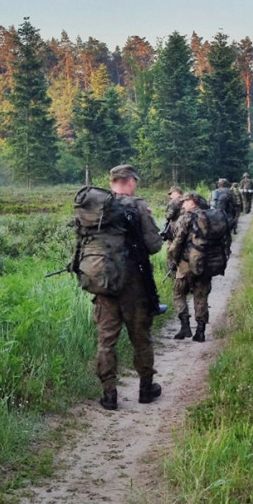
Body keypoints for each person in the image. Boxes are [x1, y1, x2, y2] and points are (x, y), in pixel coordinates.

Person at [90, 165, 165, 411]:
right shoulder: (139, 206)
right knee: (141, 338)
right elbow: (154, 246)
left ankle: (109, 394)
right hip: (134, 285)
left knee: (106, 341)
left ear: (112, 182)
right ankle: (145, 389)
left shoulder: (95, 207)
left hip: (104, 284)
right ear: (130, 181)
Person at [167, 191, 223, 343]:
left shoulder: (188, 217)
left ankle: (185, 325)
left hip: (187, 264)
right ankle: (200, 331)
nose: (183, 204)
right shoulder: (211, 217)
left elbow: (177, 243)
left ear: (192, 202)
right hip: (207, 263)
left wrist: (173, 259)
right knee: (201, 296)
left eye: (185, 201)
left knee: (178, 293)